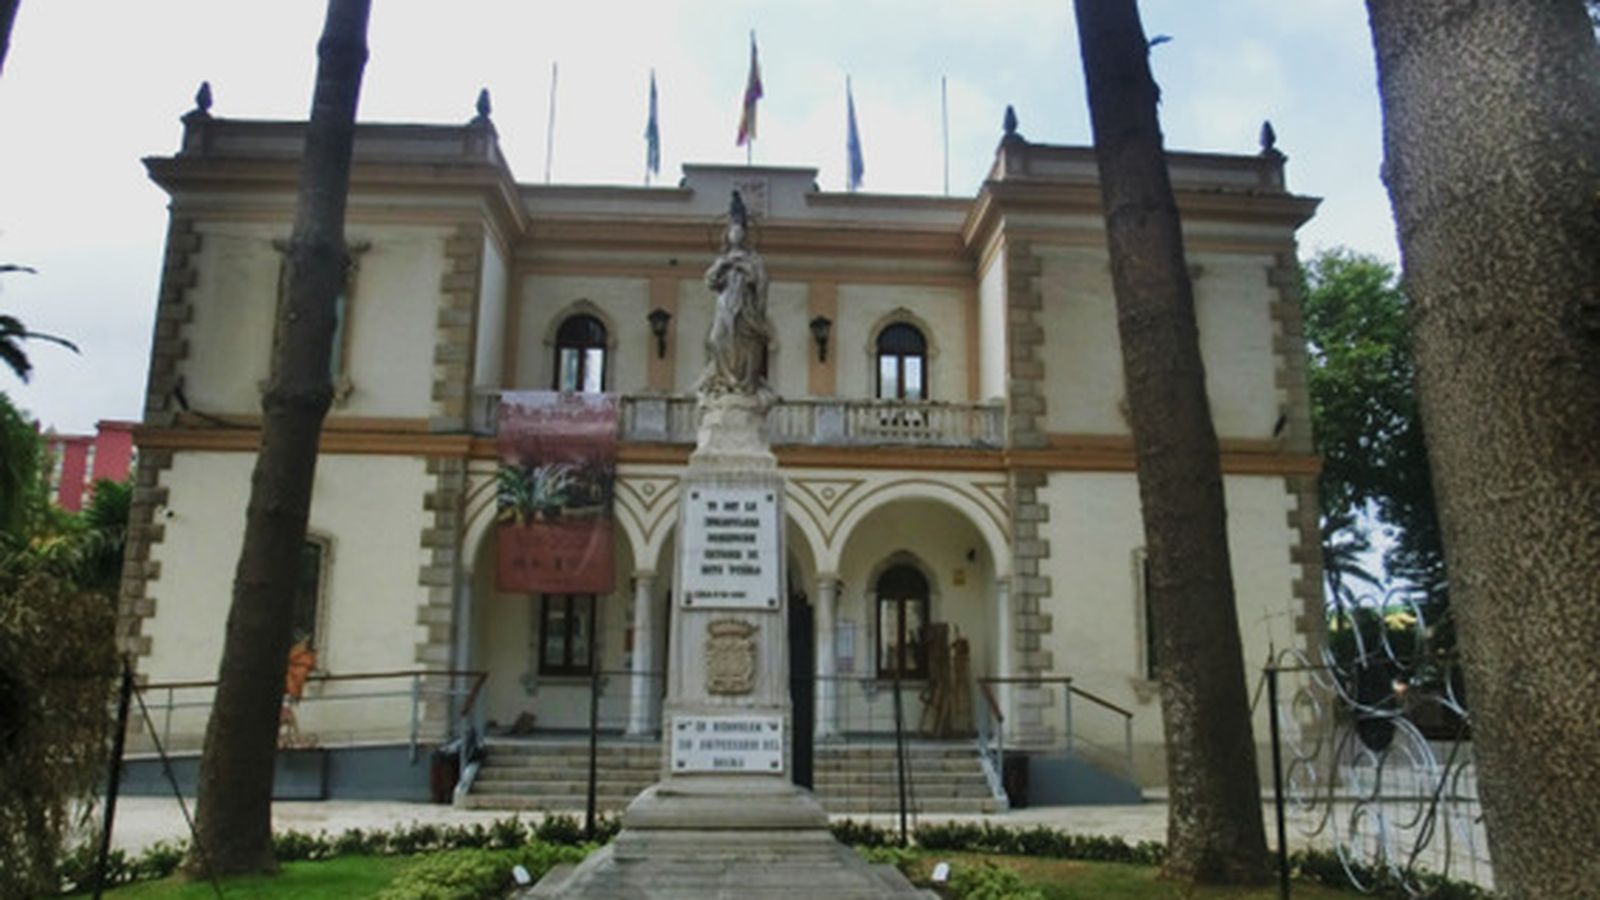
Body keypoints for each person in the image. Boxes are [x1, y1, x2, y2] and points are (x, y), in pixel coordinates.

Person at [699, 191, 772, 396]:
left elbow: (761, 280)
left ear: (745, 235)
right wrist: (724, 266)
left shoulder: (753, 259)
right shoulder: (723, 258)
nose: (736, 234)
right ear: (728, 234)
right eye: (733, 230)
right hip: (725, 305)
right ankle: (725, 378)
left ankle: (742, 383)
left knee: (746, 345)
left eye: (740, 231)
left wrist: (745, 270)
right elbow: (710, 280)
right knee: (716, 339)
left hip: (745, 307)